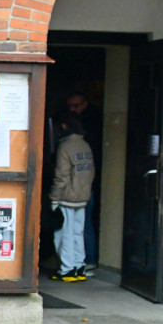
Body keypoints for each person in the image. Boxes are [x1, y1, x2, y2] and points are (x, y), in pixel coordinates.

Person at [50, 110, 95, 282]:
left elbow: (61, 176)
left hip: (66, 198)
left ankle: (66, 270)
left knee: (63, 234)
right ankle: (79, 267)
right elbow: (91, 172)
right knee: (78, 233)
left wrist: (54, 198)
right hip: (83, 197)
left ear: (63, 126)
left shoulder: (65, 146)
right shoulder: (85, 145)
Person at [66, 91, 102, 272]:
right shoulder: (86, 141)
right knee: (83, 225)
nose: (72, 110)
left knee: (81, 225)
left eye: (75, 106)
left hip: (78, 188)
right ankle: (85, 260)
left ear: (85, 104)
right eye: (70, 107)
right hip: (87, 186)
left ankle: (87, 259)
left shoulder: (86, 132)